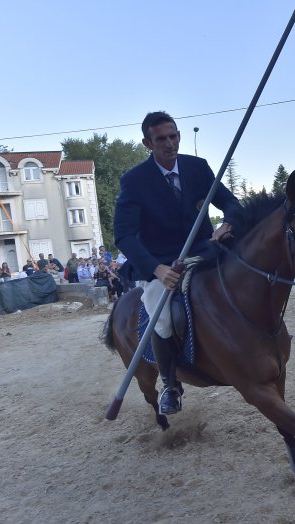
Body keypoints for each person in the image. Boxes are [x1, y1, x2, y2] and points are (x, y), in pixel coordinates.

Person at [114, 111, 243, 415]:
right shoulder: (134, 181)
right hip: (160, 263)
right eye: (161, 139)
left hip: (204, 251)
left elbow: (231, 203)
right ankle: (170, 384)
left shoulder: (197, 168)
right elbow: (124, 235)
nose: (170, 144)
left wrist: (228, 223)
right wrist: (157, 270)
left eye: (174, 136)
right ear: (148, 142)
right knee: (163, 317)